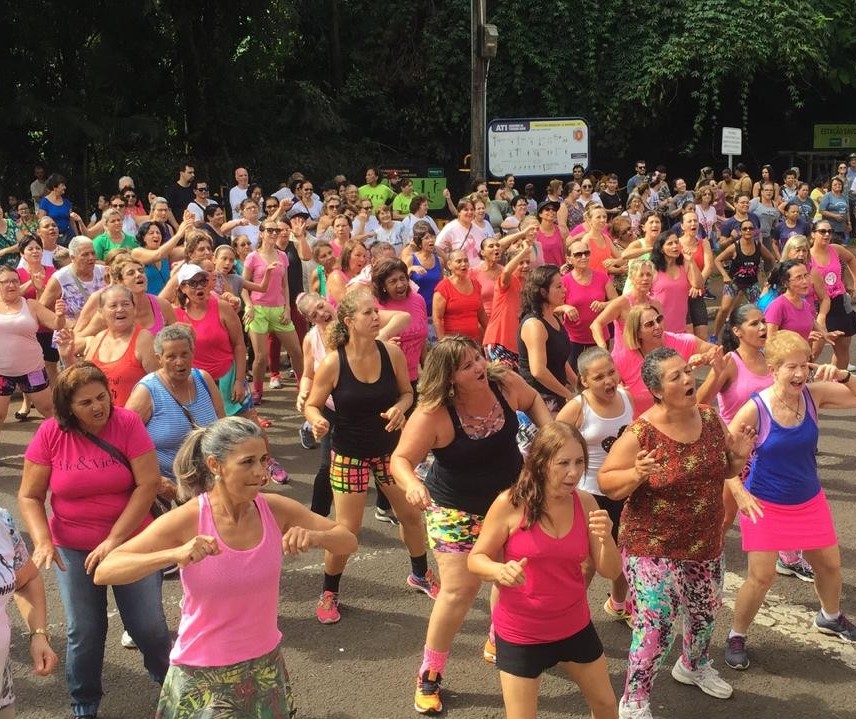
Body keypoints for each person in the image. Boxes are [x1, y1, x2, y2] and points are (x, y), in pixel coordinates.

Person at [93, 416, 357, 718]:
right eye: (247, 462)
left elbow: (348, 541)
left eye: (263, 460)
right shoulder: (190, 518)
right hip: (202, 674)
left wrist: (316, 536)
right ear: (215, 465)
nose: (260, 473)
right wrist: (174, 554)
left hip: (264, 667)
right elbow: (106, 570)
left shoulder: (275, 509)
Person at [390, 336, 551, 715]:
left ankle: (498, 635)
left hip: (510, 502)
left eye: (477, 357)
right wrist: (412, 484)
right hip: (455, 511)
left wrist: (548, 436)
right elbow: (400, 459)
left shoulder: (505, 382)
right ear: (449, 378)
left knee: (509, 574)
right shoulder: (433, 413)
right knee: (458, 593)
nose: (479, 366)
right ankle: (429, 674)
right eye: (466, 365)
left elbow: (533, 401)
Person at [599, 347, 756, 719]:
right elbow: (608, 482)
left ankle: (694, 665)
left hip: (703, 540)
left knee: (704, 612)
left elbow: (724, 470)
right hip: (651, 542)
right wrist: (637, 473)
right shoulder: (642, 433)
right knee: (657, 620)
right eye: (676, 377)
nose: (688, 379)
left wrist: (740, 455)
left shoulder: (708, 416)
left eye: (687, 371)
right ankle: (634, 699)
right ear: (656, 390)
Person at [18, 362, 171, 719]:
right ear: (68, 406)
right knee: (84, 630)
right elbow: (28, 495)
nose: (98, 407)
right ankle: (84, 703)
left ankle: (172, 683)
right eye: (86, 402)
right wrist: (42, 540)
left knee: (147, 627)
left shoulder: (128, 423)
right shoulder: (50, 433)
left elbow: (148, 483)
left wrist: (114, 540)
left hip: (131, 540)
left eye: (102, 397)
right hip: (73, 544)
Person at [467, 421, 621, 719]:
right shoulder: (510, 504)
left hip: (574, 625)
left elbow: (610, 571)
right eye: (563, 463)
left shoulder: (586, 503)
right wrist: (499, 571)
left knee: (605, 705)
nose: (574, 472)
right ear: (539, 463)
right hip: (521, 633)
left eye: (579, 462)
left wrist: (606, 538)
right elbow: (476, 559)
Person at [724, 331, 856, 672]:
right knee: (761, 577)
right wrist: (738, 492)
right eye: (791, 368)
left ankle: (829, 616)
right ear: (773, 369)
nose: (800, 374)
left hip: (808, 498)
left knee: (829, 565)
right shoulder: (756, 408)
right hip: (764, 502)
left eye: (804, 366)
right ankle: (737, 634)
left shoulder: (813, 395)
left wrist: (844, 375)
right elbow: (721, 457)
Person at [303, 289, 436, 625]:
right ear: (349, 322)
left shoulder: (390, 351)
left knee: (410, 515)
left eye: (376, 312)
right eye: (367, 313)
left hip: (390, 452)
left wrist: (401, 408)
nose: (376, 317)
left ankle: (419, 573)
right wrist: (317, 419)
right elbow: (312, 403)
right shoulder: (334, 362)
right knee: (348, 530)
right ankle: (329, 591)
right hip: (349, 454)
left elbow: (409, 393)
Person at [556, 347, 634, 623]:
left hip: (624, 490)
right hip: (588, 494)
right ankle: (568, 611)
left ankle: (619, 602)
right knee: (587, 561)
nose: (608, 381)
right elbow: (553, 443)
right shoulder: (578, 407)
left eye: (611, 372)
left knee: (626, 552)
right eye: (599, 377)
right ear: (584, 381)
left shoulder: (627, 398)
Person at [125, 324, 224, 495]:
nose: (180, 362)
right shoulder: (147, 391)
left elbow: (224, 427)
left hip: (211, 483)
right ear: (159, 358)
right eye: (171, 356)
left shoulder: (204, 379)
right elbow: (124, 440)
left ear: (193, 353)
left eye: (185, 354)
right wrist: (155, 479)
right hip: (169, 489)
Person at [57, 285, 158, 407]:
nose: (120, 309)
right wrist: (68, 357)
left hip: (132, 420)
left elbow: (159, 384)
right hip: (99, 419)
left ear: (134, 308)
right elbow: (83, 380)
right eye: (113, 306)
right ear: (101, 312)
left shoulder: (144, 339)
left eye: (126, 304)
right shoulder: (99, 338)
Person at [612, 304, 714, 416]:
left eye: (659, 319)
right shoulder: (622, 359)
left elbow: (717, 352)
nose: (658, 326)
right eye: (649, 324)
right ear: (637, 332)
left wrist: (704, 358)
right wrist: (619, 392)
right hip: (644, 426)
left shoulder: (681, 341)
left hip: (683, 420)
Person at [0, 265, 65, 439]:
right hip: (2, 372)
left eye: (14, 281)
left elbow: (56, 324)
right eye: (5, 282)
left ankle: (67, 443)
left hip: (32, 369)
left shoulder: (31, 305)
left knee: (48, 410)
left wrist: (60, 315)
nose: (11, 285)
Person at [243, 219, 304, 403]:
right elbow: (243, 285)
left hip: (278, 307)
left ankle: (303, 387)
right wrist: (249, 305)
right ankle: (258, 391)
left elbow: (284, 285)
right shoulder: (252, 257)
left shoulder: (282, 256)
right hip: (258, 309)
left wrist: (287, 307)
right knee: (260, 357)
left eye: (276, 230)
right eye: (270, 230)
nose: (274, 233)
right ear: (261, 233)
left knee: (296, 351)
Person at [518, 264, 576, 413]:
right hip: (540, 399)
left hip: (557, 394)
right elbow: (538, 371)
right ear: (543, 292)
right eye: (558, 287)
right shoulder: (534, 325)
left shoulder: (554, 318)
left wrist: (579, 385)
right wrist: (568, 394)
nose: (564, 290)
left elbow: (560, 359)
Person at [711, 220, 775, 338]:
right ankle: (714, 336)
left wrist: (770, 276)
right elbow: (717, 260)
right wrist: (724, 275)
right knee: (724, 308)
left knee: (759, 310)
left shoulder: (758, 246)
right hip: (734, 282)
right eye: (745, 229)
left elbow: (771, 259)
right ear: (740, 231)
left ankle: (759, 337)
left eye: (750, 228)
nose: (748, 231)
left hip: (751, 283)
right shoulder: (734, 247)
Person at [562, 240, 617, 371]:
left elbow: (616, 302)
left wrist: (604, 304)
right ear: (569, 259)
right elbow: (552, 308)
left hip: (599, 337)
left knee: (600, 373)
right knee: (577, 378)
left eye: (586, 253)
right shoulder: (564, 281)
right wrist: (565, 307)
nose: (583, 257)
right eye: (578, 254)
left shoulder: (602, 277)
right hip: (573, 339)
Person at [808, 220, 856, 368]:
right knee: (814, 350)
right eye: (822, 231)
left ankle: (838, 382)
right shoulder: (807, 255)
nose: (827, 234)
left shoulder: (835, 249)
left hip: (839, 300)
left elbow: (851, 259)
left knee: (842, 346)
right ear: (813, 234)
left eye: (830, 231)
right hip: (818, 304)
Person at [483, 239, 535, 370]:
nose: (525, 266)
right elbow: (506, 272)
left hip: (517, 345)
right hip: (499, 340)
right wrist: (524, 251)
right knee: (503, 384)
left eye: (527, 262)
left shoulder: (527, 284)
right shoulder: (507, 281)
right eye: (521, 263)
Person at [590, 259, 660, 352]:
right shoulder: (621, 302)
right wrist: (603, 348)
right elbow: (596, 324)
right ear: (631, 277)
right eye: (641, 275)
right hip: (625, 358)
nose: (645, 278)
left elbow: (661, 332)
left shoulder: (655, 304)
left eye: (648, 275)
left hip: (649, 356)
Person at [650, 231, 702, 334]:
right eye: (670, 243)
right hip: (658, 329)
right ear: (661, 249)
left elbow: (698, 284)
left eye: (676, 242)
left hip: (680, 328)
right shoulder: (653, 268)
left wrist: (692, 261)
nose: (675, 246)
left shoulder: (685, 265)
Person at [433, 249, 486, 343]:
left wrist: (490, 335)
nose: (463, 264)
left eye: (466, 261)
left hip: (474, 342)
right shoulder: (443, 287)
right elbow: (437, 318)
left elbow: (481, 313)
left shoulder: (476, 284)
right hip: (453, 344)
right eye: (459, 261)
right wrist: (442, 343)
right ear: (449, 265)